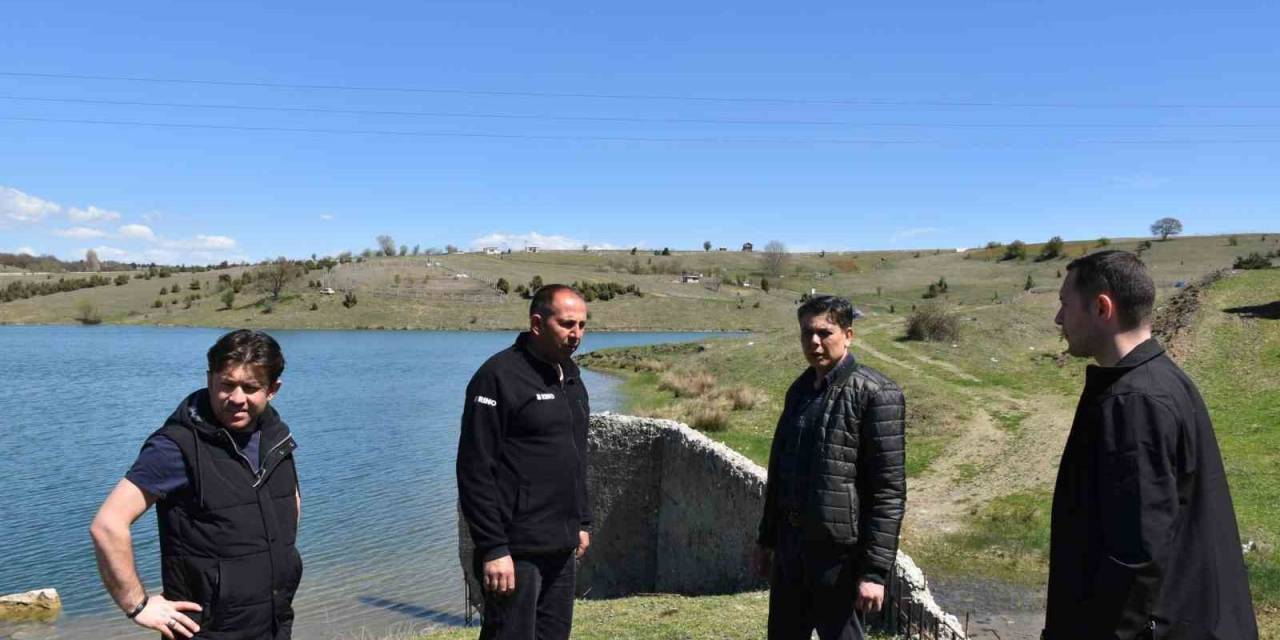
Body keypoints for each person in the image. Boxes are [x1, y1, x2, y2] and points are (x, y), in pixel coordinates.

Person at [1045, 250, 1258, 639]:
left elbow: (1134, 555)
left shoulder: (1135, 401)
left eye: (1064, 304)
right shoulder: (1161, 381)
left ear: (1101, 307)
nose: (1059, 319)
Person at [90, 329, 302, 640]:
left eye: (250, 387)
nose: (237, 399)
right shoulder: (176, 447)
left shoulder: (276, 436)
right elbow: (108, 525)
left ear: (272, 390)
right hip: (206, 632)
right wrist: (137, 605)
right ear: (209, 378)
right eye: (227, 385)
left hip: (274, 623)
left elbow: (289, 502)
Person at [754, 295, 906, 640]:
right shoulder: (800, 390)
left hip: (838, 558)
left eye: (825, 332)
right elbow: (780, 470)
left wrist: (875, 573)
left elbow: (888, 491)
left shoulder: (877, 393)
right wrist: (766, 540)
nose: (814, 342)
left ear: (848, 335)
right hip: (791, 551)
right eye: (807, 333)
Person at [457, 284, 592, 640]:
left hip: (561, 547)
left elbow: (576, 457)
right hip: (515, 550)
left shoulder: (573, 378)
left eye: (581, 325)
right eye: (566, 324)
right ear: (536, 323)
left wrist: (582, 521)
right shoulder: (498, 376)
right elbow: (474, 469)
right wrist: (494, 548)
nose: (576, 334)